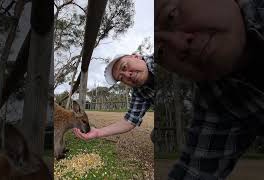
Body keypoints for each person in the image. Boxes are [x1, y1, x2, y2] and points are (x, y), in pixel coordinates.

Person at [157, 0, 264, 179]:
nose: (180, 45)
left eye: (171, 16)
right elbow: (194, 172)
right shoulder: (220, 98)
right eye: (160, 52)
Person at [73, 54, 155, 141]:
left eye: (124, 67)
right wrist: (98, 132)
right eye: (121, 78)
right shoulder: (139, 91)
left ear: (136, 56)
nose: (127, 75)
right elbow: (130, 121)